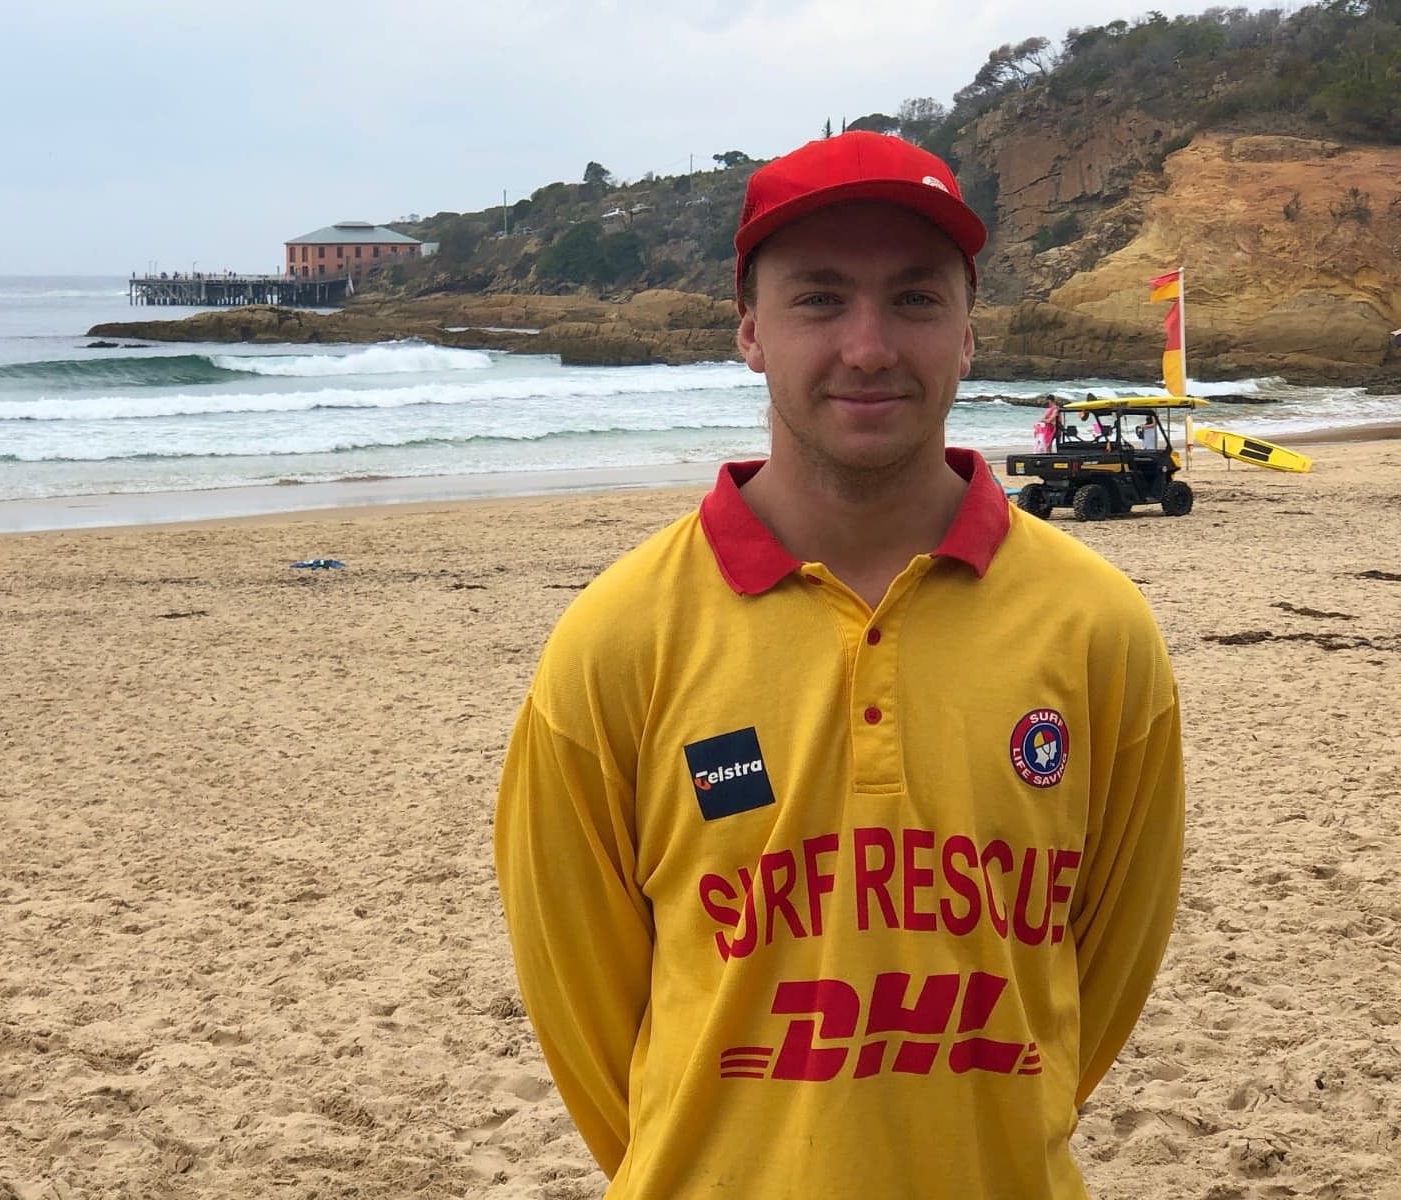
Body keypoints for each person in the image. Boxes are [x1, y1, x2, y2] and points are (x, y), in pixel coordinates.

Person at [496, 130, 1185, 1199]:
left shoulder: (1098, 630)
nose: (868, 346)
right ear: (750, 332)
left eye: (914, 300)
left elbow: (1102, 982)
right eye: (818, 300)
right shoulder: (616, 641)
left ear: (968, 335)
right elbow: (584, 1018)